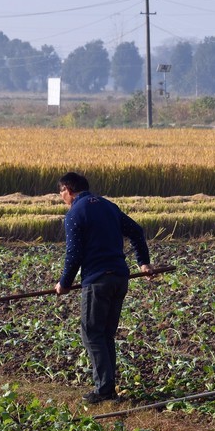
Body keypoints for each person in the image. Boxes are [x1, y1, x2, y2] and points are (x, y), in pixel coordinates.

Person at [53, 171, 152, 404]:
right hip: (119, 278)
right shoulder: (109, 206)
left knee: (91, 333)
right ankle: (107, 387)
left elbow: (74, 254)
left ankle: (104, 390)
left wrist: (64, 283)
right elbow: (136, 231)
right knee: (105, 334)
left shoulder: (75, 213)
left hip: (97, 281)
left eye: (61, 192)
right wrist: (143, 262)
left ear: (68, 189)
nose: (61, 197)